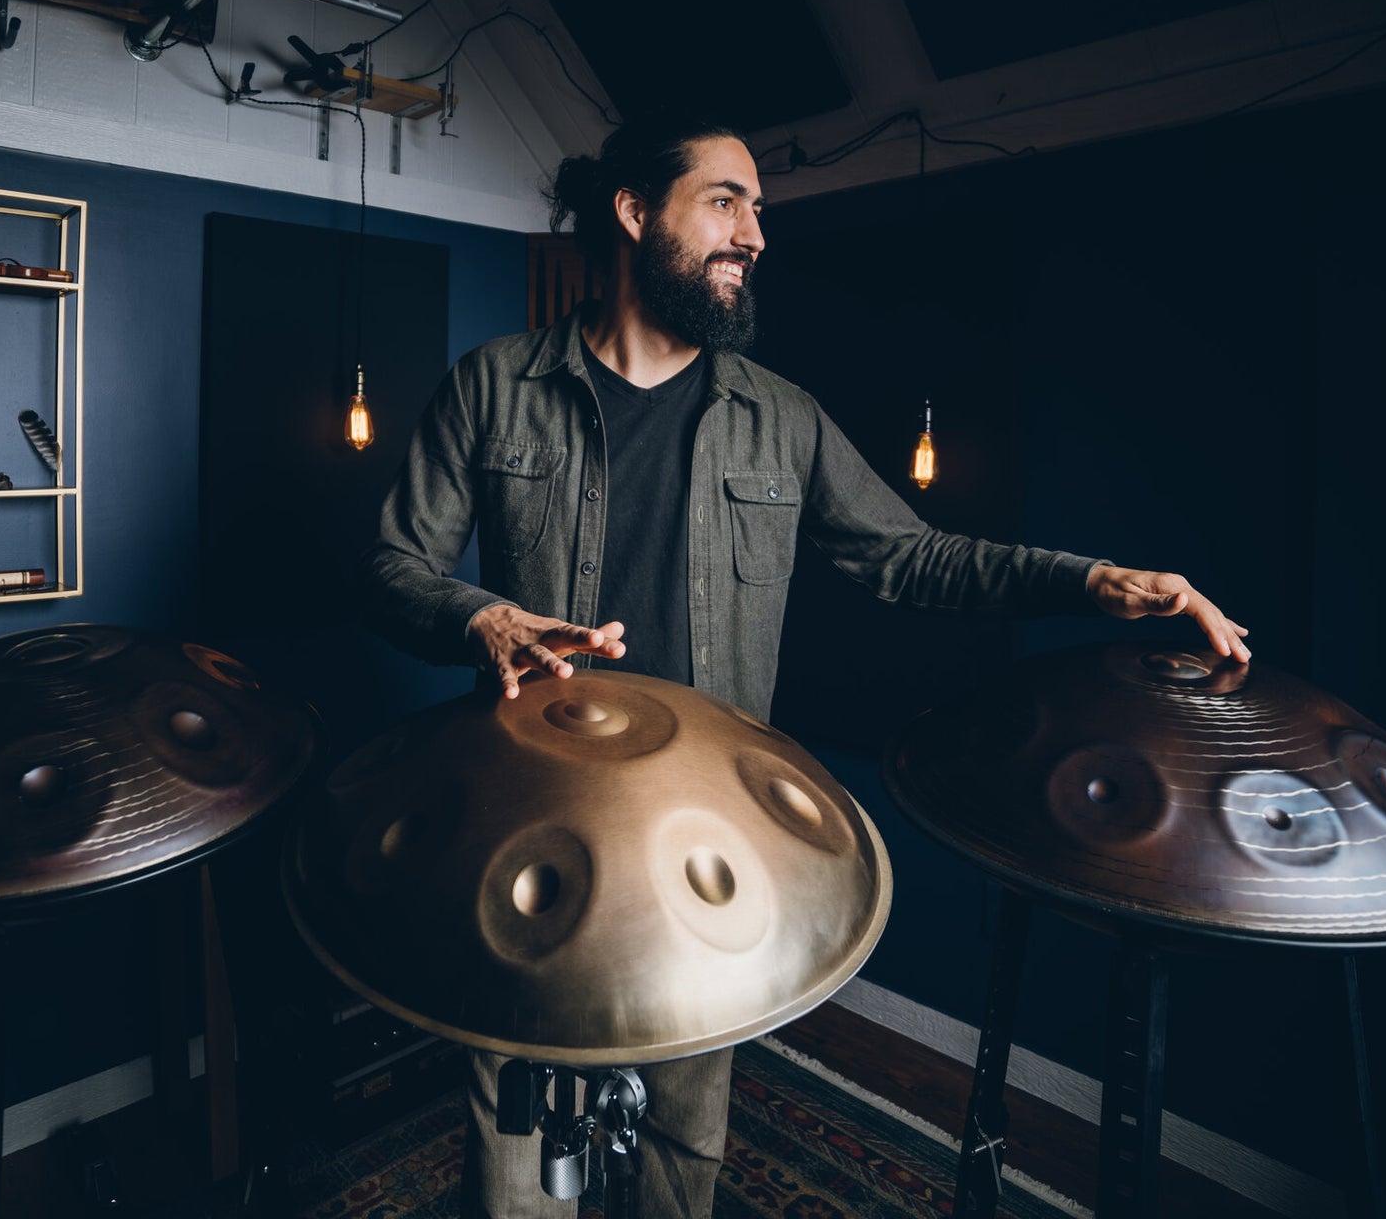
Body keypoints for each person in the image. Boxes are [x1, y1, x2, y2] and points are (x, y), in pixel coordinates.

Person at [360, 117, 1247, 1219]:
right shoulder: (492, 386)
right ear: (636, 214)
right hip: (536, 822)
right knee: (520, 1135)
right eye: (727, 201)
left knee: (686, 1134)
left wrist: (1094, 578)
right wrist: (482, 615)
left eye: (760, 211)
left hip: (706, 835)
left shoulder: (779, 417)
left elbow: (911, 556)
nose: (756, 234)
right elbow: (391, 565)